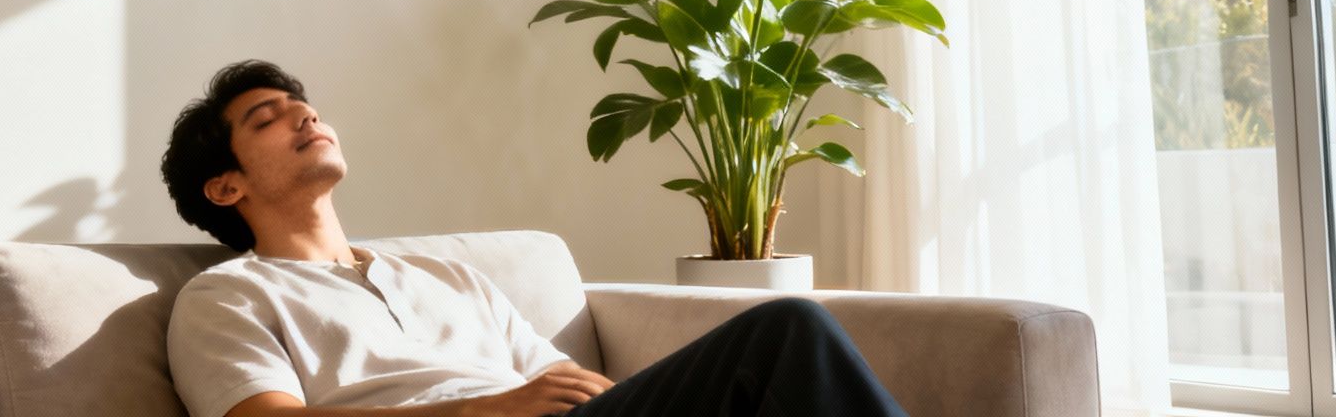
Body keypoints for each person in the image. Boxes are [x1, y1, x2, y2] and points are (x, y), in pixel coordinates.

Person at [159, 60, 911, 417]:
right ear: (226, 187)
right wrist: (476, 411)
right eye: (268, 119)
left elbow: (572, 390)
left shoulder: (444, 278)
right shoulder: (228, 296)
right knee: (785, 329)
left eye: (304, 105)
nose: (305, 116)